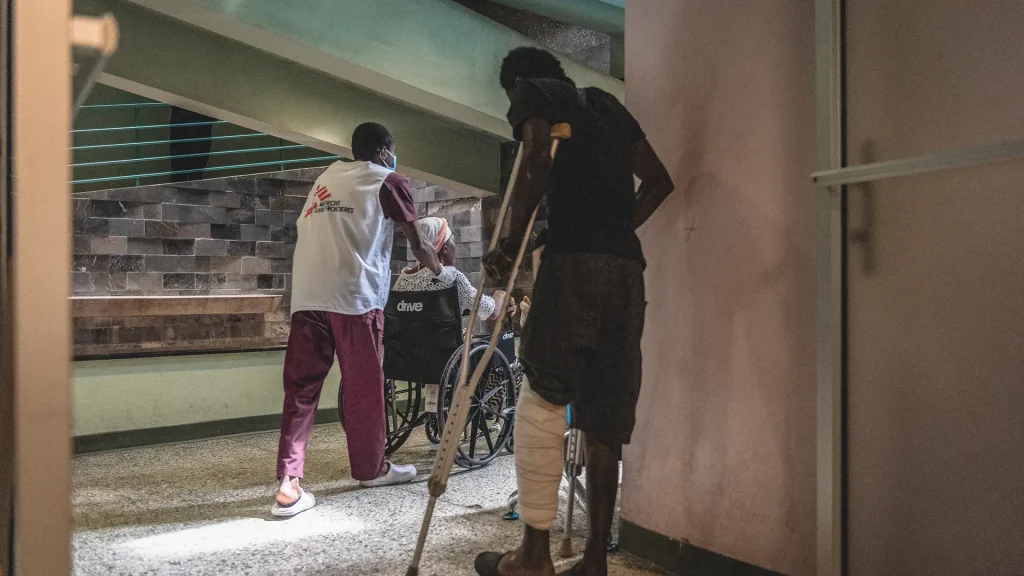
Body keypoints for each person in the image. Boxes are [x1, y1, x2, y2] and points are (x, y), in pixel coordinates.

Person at [475, 48, 675, 576]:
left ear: (515, 82)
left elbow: (536, 161)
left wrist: (509, 244)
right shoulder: (607, 105)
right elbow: (659, 181)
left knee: (544, 395)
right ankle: (593, 563)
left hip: (571, 268)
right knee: (604, 414)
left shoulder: (534, 92)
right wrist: (612, 229)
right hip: (626, 273)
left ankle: (534, 557)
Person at [272, 122, 449, 517]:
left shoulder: (326, 178)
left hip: (307, 297)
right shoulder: (388, 180)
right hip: (355, 299)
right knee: (364, 388)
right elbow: (418, 240)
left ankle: (289, 484)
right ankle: (372, 469)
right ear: (386, 152)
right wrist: (441, 273)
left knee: (300, 392)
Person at [391, 216, 516, 322]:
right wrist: (501, 295)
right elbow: (491, 311)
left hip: (407, 350)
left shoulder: (402, 281)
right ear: (444, 248)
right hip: (444, 350)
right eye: (452, 242)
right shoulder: (452, 280)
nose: (455, 246)